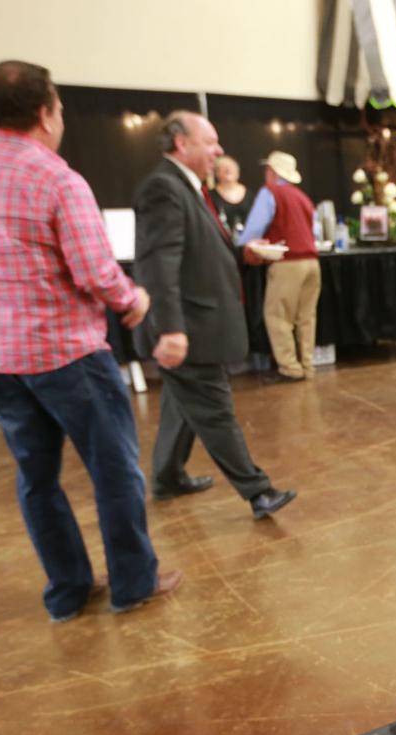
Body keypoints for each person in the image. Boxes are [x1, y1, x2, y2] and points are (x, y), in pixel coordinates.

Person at [0, 60, 179, 623]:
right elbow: (94, 270)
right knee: (114, 472)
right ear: (45, 113)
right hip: (69, 357)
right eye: (60, 109)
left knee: (36, 480)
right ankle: (131, 584)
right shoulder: (57, 179)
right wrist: (133, 301)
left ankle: (67, 593)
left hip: (0, 361)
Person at [134, 113, 297, 520]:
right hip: (188, 327)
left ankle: (168, 477)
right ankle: (258, 492)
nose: (219, 151)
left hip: (195, 325)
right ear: (180, 144)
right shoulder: (163, 188)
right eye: (210, 142)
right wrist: (170, 329)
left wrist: (244, 253)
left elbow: (198, 254)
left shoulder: (187, 188)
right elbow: (160, 265)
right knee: (214, 408)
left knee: (181, 402)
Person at [238, 151, 321, 383]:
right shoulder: (303, 197)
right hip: (312, 262)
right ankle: (307, 364)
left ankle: (290, 368)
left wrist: (239, 248)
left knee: (278, 316)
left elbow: (254, 229)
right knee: (306, 317)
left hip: (287, 263)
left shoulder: (270, 193)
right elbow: (314, 232)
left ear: (272, 172)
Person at [210, 155, 252, 241]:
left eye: (231, 167)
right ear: (217, 173)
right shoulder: (210, 195)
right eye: (224, 167)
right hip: (221, 242)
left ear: (238, 172)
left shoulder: (250, 194)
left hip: (248, 242)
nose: (228, 169)